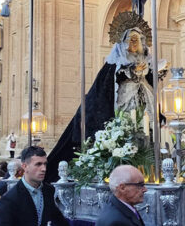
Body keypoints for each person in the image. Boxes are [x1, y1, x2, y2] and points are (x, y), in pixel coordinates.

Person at [47, 12, 166, 182]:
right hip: (124, 102)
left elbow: (153, 81)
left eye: (137, 40)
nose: (134, 43)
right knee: (128, 130)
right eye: (130, 40)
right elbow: (106, 88)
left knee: (147, 131)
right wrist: (131, 71)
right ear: (123, 43)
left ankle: (149, 167)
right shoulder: (114, 64)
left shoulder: (147, 61)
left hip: (144, 100)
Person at [0, 146, 69, 226]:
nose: (44, 169)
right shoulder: (9, 200)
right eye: (38, 164)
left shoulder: (48, 191)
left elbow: (59, 220)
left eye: (45, 164)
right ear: (25, 167)